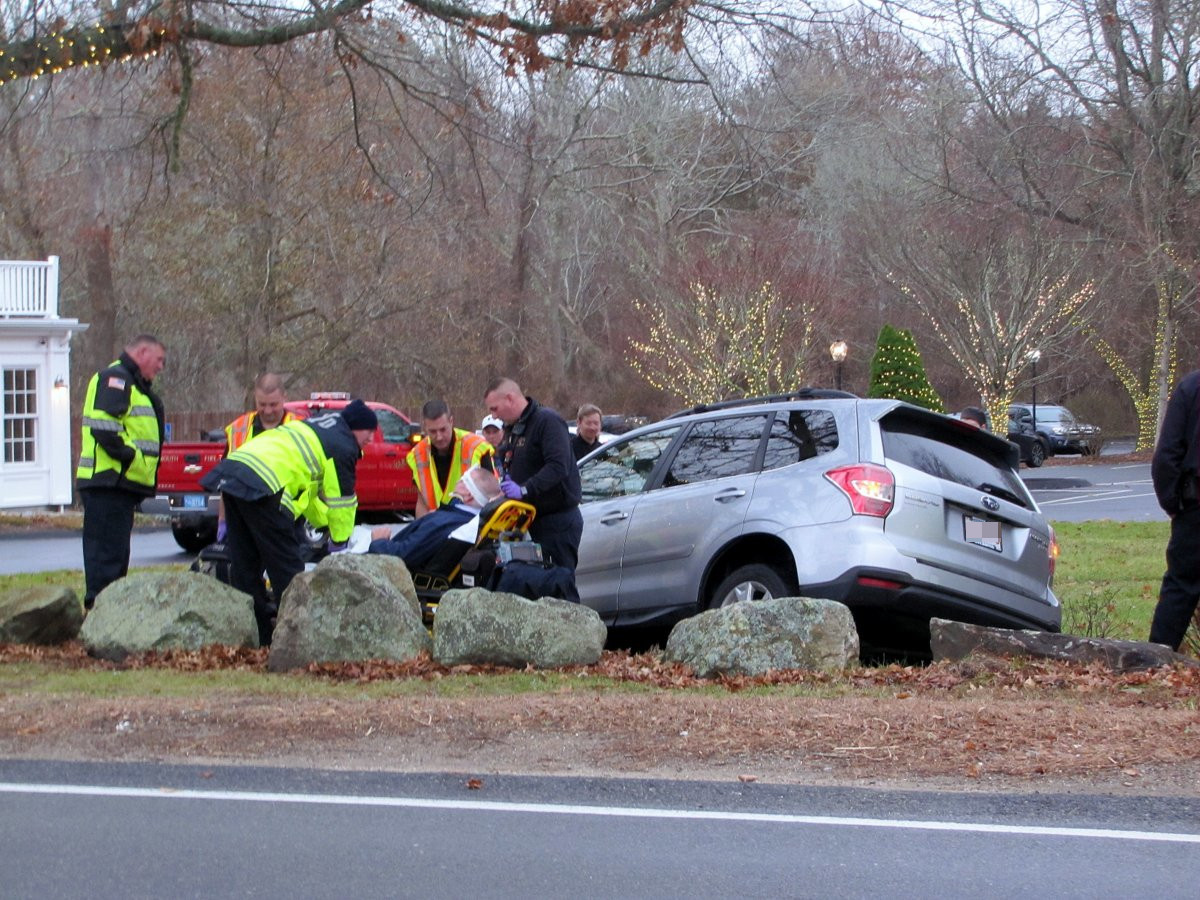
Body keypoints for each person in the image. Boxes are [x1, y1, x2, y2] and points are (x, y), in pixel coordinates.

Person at [200, 399, 378, 645]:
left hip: (235, 474)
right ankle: (298, 641)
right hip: (265, 487)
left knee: (245, 567)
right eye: (369, 432)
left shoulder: (317, 428)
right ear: (356, 427)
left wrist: (324, 525)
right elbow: (343, 502)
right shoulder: (343, 445)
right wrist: (340, 542)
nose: (370, 439)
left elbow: (312, 496)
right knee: (287, 571)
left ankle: (258, 637)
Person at [76, 335, 167, 610]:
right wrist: (132, 460)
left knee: (114, 557)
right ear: (142, 352)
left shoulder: (134, 385)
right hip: (109, 482)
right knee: (105, 560)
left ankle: (109, 617)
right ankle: (100, 619)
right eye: (159, 360)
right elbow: (105, 429)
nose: (161, 367)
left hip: (119, 485)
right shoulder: (116, 379)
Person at [484, 377, 583, 571]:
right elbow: (510, 459)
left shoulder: (546, 421)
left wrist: (524, 489)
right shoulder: (514, 427)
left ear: (510, 399)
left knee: (558, 584)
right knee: (535, 585)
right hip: (529, 519)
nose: (494, 416)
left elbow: (558, 466)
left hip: (556, 521)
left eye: (494, 408)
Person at [1149, 369, 1200, 650]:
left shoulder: (1191, 388)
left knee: (1181, 588)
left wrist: (1174, 504)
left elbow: (1167, 456)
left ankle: (1157, 660)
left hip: (1195, 508)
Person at [368, 465, 503, 570]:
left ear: (468, 495)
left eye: (463, 480)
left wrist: (379, 542)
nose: (458, 480)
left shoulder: (442, 523)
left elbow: (402, 556)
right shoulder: (471, 523)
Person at [216, 373, 296, 542]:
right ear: (255, 398)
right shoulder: (239, 428)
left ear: (284, 397)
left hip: (286, 519)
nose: (267, 411)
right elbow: (227, 481)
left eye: (273, 404)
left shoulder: (299, 427)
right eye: (262, 404)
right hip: (245, 519)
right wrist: (223, 520)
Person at [406, 399, 493, 518]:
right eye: (432, 431)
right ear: (425, 427)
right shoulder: (418, 455)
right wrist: (423, 528)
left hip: (470, 525)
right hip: (437, 526)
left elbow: (492, 495)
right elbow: (421, 503)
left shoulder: (476, 446)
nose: (439, 437)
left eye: (443, 429)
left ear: (451, 421)